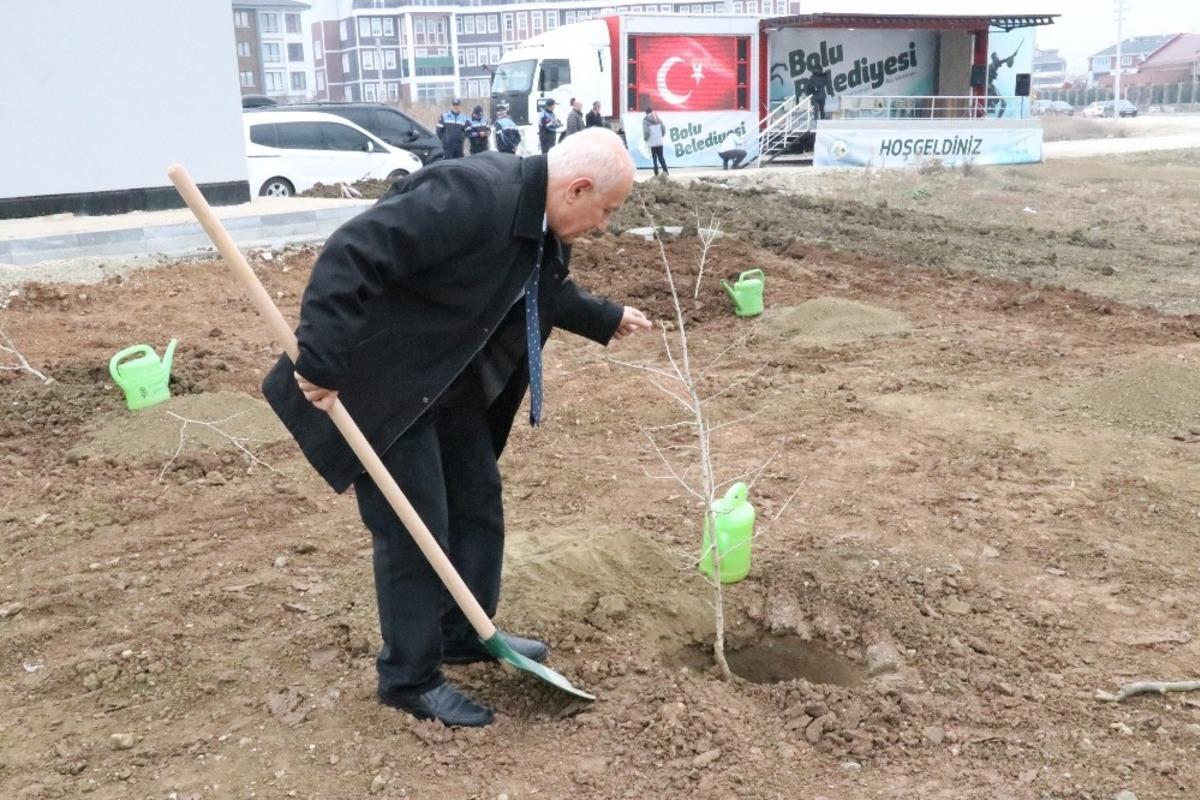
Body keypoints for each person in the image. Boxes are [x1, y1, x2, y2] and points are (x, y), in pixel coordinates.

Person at [262, 129, 651, 729]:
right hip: (384, 385)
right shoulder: (472, 194)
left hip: (445, 384)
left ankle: (463, 631)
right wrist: (321, 355)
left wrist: (606, 316)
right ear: (577, 189)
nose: (604, 225)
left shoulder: (538, 223)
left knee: (476, 502)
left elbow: (534, 286)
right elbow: (355, 250)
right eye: (606, 210)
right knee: (415, 529)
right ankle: (410, 680)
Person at [642, 106, 668, 176]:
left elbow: (646, 132)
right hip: (659, 141)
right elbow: (663, 129)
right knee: (661, 157)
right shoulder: (658, 119)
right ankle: (666, 172)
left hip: (652, 142)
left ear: (646, 113)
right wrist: (660, 136)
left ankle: (656, 173)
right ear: (652, 111)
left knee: (654, 158)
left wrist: (645, 139)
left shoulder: (645, 121)